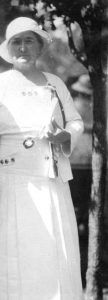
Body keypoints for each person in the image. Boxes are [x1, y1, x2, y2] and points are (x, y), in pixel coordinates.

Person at [0, 17, 84, 299]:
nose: (22, 47)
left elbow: (76, 121)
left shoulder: (55, 84)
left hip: (50, 180)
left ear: (39, 47)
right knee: (14, 249)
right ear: (8, 48)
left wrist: (65, 135)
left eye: (29, 41)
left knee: (51, 248)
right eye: (16, 41)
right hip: (10, 181)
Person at [69, 74, 93, 236]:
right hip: (82, 156)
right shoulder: (82, 107)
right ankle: (80, 223)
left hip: (81, 156)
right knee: (82, 192)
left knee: (79, 193)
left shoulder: (76, 106)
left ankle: (80, 223)